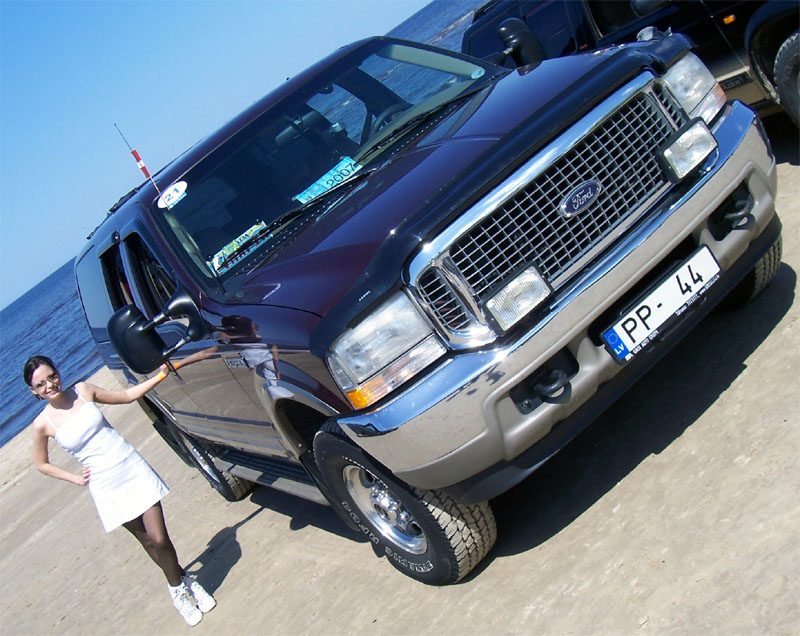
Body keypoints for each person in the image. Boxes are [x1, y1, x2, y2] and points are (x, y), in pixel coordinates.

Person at [24, 355, 215, 627]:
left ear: (57, 372)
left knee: (159, 538)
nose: (50, 385)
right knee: (147, 541)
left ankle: (177, 589)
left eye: (51, 377)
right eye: (41, 384)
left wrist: (160, 376)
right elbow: (41, 464)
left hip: (130, 466)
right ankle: (186, 584)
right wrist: (74, 478)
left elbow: (126, 396)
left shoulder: (82, 390)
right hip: (105, 485)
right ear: (34, 391)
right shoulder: (42, 424)